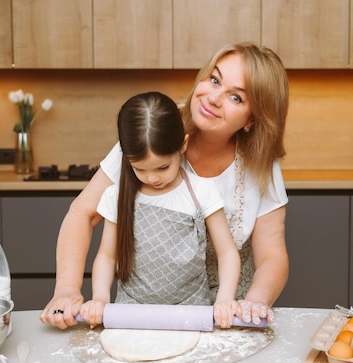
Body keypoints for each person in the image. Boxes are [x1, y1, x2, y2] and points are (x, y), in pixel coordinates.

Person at [41, 42, 290, 329]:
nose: (213, 98)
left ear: (252, 119)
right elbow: (83, 213)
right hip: (146, 309)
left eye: (235, 97)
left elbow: (272, 257)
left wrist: (252, 303)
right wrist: (67, 290)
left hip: (227, 314)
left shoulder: (261, 165)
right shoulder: (155, 131)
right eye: (214, 80)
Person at [78, 92, 240, 329]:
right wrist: (101, 298)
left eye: (163, 167)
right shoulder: (117, 196)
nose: (153, 178)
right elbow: (107, 256)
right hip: (131, 316)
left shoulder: (202, 192)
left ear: (182, 145)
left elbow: (227, 253)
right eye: (140, 169)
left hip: (192, 313)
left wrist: (224, 299)